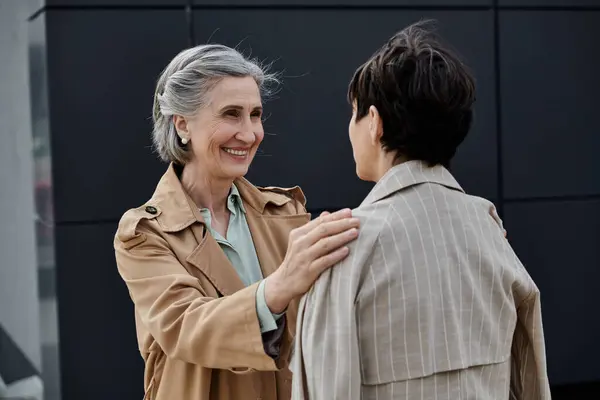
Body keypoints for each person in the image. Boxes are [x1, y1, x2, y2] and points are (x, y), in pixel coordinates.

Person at [291, 20, 551, 400]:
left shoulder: (344, 244)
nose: (350, 128)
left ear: (375, 123)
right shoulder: (490, 230)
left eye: (354, 114)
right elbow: (529, 379)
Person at [113, 44, 360, 400]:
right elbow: (184, 327)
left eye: (255, 115)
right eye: (231, 114)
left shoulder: (285, 213)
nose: (249, 134)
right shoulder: (144, 233)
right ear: (181, 124)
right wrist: (279, 287)